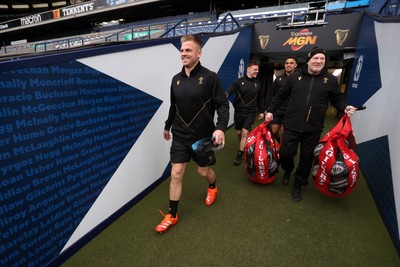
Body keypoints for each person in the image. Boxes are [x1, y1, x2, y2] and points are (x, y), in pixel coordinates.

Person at [156, 34, 229, 233]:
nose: (184, 54)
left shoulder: (210, 77)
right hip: (180, 136)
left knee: (203, 171)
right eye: (182, 50)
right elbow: (174, 106)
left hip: (203, 138)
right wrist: (167, 126)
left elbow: (222, 105)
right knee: (176, 173)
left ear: (199, 53)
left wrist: (221, 127)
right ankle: (172, 214)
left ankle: (212, 186)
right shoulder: (175, 80)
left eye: (188, 50)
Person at [264, 47, 357, 202]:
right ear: (308, 60)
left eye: (322, 59)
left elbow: (337, 99)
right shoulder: (294, 77)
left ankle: (298, 184)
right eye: (315, 58)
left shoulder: (330, 80)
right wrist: (270, 110)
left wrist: (344, 107)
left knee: (306, 159)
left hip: (313, 128)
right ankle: (288, 170)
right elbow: (280, 96)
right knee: (286, 154)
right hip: (292, 124)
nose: (319, 61)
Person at [226, 60, 265, 166]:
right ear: (248, 69)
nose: (257, 71)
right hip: (239, 111)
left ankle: (240, 154)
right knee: (239, 133)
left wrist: (262, 111)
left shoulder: (258, 84)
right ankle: (243, 145)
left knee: (245, 132)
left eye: (258, 69)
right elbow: (229, 91)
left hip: (251, 111)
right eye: (255, 69)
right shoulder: (238, 82)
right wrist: (224, 96)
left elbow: (260, 98)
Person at [269, 56, 297, 184]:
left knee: (287, 137)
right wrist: (268, 109)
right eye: (287, 63)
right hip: (278, 111)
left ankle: (285, 166)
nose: (288, 65)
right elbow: (273, 95)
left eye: (291, 63)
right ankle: (280, 141)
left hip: (291, 112)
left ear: (295, 65)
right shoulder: (279, 79)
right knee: (273, 131)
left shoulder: (298, 78)